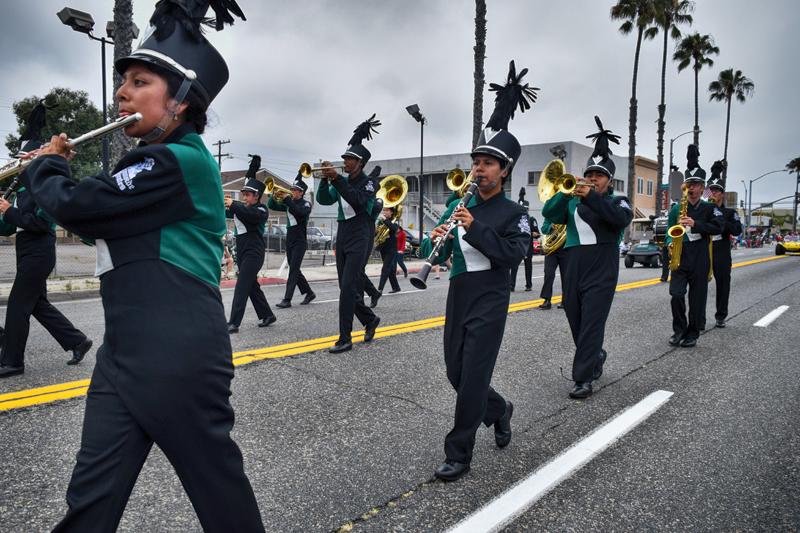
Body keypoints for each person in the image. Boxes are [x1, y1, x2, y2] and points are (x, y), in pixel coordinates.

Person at [19, 2, 265, 530]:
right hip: (123, 354)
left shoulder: (179, 160)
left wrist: (48, 167)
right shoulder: (148, 163)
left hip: (179, 357)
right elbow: (95, 222)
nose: (121, 93)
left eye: (139, 81)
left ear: (179, 101)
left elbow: (82, 205)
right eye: (121, 82)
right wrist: (46, 176)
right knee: (90, 499)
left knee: (219, 497)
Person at [422, 61, 534, 482]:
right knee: (456, 371)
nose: (480, 168)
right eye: (477, 161)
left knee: (472, 379)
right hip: (459, 292)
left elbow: (513, 255)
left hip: (491, 295)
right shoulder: (458, 206)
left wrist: (476, 227)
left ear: (504, 171)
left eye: (488, 163)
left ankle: (459, 453)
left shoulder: (514, 213)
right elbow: (440, 248)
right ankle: (500, 409)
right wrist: (433, 239)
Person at [542, 116, 633, 399]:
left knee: (592, 321)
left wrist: (591, 197)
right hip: (573, 265)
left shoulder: (617, 201)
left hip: (601, 267)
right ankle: (595, 354)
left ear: (609, 180)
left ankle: (582, 378)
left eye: (599, 176)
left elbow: (619, 220)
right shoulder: (573, 198)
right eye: (590, 174)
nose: (593, 179)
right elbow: (548, 214)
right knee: (575, 317)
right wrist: (565, 193)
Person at [0, 105, 93, 378]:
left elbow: (41, 223)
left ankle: (12, 362)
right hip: (25, 249)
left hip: (40, 251)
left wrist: (9, 211)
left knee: (18, 305)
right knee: (37, 304)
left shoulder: (43, 188)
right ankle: (77, 341)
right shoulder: (22, 189)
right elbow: (9, 228)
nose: (20, 164)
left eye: (24, 158)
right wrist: (4, 213)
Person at [316, 116, 382, 353]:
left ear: (360, 163)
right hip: (343, 233)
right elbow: (324, 199)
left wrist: (336, 179)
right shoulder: (340, 182)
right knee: (346, 288)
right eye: (344, 158)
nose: (345, 162)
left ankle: (344, 338)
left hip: (360, 234)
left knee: (348, 289)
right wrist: (325, 181)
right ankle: (370, 320)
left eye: (350, 159)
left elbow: (355, 199)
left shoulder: (370, 184)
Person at [666, 145, 723, 348]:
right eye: (688, 184)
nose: (691, 188)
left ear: (702, 187)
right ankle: (679, 329)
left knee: (697, 299)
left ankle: (692, 333)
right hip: (681, 255)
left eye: (695, 184)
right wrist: (669, 243)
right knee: (676, 295)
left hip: (700, 255)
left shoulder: (710, 208)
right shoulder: (676, 208)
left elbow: (719, 227)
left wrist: (696, 224)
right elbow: (669, 229)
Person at [225, 175, 276, 333]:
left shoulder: (261, 210)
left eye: (248, 194)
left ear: (257, 196)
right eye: (243, 194)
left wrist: (234, 203)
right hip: (242, 252)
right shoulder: (242, 208)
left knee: (242, 286)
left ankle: (234, 323)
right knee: (252, 286)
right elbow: (226, 211)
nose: (244, 197)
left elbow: (251, 216)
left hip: (254, 253)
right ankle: (267, 315)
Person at [706, 160, 742, 328]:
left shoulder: (730, 212)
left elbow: (737, 230)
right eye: (710, 190)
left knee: (723, 284)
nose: (712, 193)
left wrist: (722, 220)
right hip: (704, 247)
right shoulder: (703, 210)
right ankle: (698, 317)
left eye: (715, 191)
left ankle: (721, 315)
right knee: (699, 284)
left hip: (721, 249)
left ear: (722, 194)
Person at [270, 177, 316, 308]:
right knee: (294, 268)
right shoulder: (289, 203)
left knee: (294, 270)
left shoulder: (306, 204)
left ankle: (287, 299)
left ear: (301, 192)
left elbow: (299, 213)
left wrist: (288, 200)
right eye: (292, 189)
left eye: (295, 190)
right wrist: (273, 195)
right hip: (290, 239)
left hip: (300, 241)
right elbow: (272, 206)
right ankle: (309, 292)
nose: (292, 192)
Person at [538, 218, 568, 309]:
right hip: (551, 251)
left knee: (566, 276)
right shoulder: (550, 216)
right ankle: (547, 300)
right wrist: (550, 226)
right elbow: (543, 229)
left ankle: (565, 301)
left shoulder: (567, 214)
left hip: (565, 249)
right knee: (548, 274)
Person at [510, 206, 539, 292]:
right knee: (514, 266)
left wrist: (535, 234)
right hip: (517, 246)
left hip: (528, 246)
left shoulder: (531, 220)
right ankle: (511, 285)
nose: (524, 210)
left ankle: (528, 285)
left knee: (528, 266)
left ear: (528, 209)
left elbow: (537, 233)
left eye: (526, 209)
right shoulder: (516, 220)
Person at [376, 206, 401, 294]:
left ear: (391, 212)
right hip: (383, 248)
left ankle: (379, 290)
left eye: (387, 210)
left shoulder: (394, 222)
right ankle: (396, 287)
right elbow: (376, 232)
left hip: (391, 249)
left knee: (385, 268)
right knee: (389, 269)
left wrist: (385, 220)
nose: (384, 212)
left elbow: (394, 229)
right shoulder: (381, 222)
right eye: (384, 210)